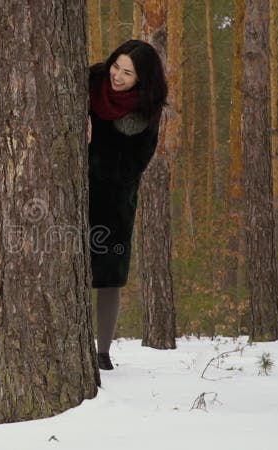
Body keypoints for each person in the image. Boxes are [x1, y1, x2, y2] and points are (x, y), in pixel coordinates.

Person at [87, 40, 167, 370]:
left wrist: (90, 150)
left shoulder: (145, 113)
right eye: (116, 66)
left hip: (114, 204)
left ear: (142, 78)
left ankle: (102, 352)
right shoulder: (90, 83)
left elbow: (133, 166)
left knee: (108, 276)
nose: (117, 76)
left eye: (127, 72)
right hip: (70, 196)